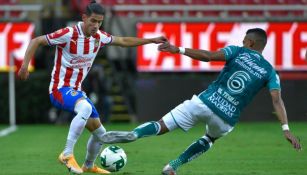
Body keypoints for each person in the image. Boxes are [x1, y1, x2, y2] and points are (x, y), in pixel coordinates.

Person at [101, 28, 302, 175]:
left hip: (204, 102)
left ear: (249, 42)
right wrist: (285, 128)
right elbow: (277, 100)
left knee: (162, 125)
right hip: (226, 118)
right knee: (209, 139)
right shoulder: (270, 71)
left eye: (243, 41)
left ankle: (135, 134)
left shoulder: (237, 52)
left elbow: (208, 56)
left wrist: (177, 49)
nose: (242, 43)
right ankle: (173, 166)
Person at [17, 1, 166, 174]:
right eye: (93, 21)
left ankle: (88, 165)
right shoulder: (69, 33)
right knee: (86, 107)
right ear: (84, 18)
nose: (96, 26)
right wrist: (24, 66)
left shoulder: (99, 37)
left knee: (101, 134)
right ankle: (67, 153)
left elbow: (123, 40)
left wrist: (151, 40)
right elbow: (36, 40)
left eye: (100, 22)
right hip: (59, 89)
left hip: (76, 91)